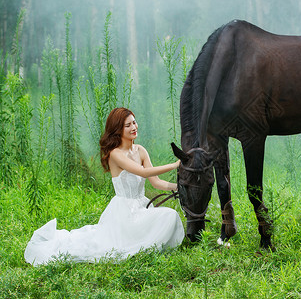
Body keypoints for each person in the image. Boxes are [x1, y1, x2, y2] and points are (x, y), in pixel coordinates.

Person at [24, 107, 184, 266]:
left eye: (134, 123)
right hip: (124, 213)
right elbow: (142, 173)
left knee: (170, 216)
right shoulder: (115, 154)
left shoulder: (140, 150)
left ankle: (146, 248)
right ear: (117, 130)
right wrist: (175, 165)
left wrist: (180, 187)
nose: (134, 127)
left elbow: (156, 182)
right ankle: (142, 248)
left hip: (141, 207)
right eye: (127, 125)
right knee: (163, 218)